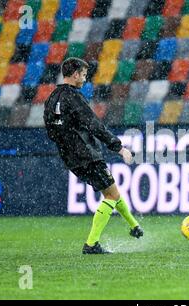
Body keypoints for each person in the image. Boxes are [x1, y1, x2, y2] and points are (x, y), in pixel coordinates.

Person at [43, 57, 143, 254]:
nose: (85, 78)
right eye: (83, 74)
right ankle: (91, 244)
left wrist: (66, 144)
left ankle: (134, 226)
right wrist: (119, 148)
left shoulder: (52, 97)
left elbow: (50, 129)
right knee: (111, 194)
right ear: (75, 74)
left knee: (111, 190)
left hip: (70, 157)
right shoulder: (74, 97)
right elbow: (94, 125)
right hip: (86, 154)